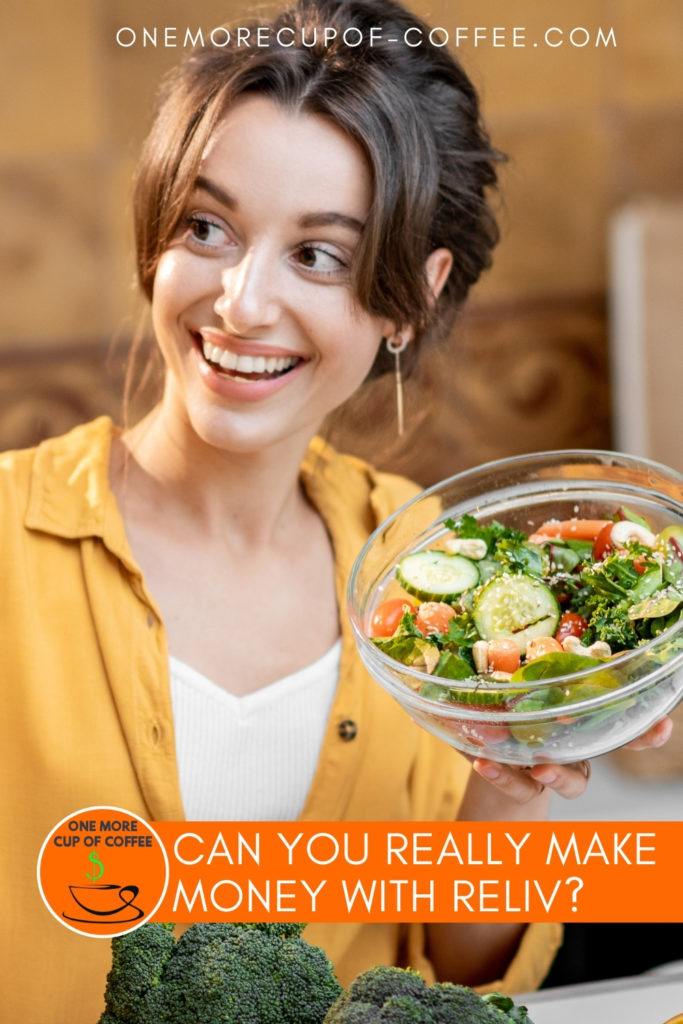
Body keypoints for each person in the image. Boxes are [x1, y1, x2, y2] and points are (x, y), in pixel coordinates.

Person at [0, 1, 672, 1020]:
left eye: (316, 255)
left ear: (409, 294)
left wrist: (516, 777)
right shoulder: (11, 541)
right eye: (207, 227)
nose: (239, 302)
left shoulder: (421, 584)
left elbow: (449, 966)